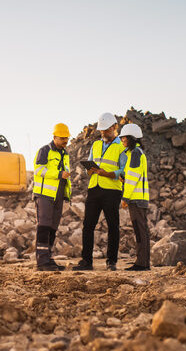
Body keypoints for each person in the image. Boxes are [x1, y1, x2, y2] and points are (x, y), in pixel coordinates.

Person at [74, 113, 127, 271]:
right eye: (101, 130)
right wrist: (88, 171)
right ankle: (86, 261)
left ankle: (111, 262)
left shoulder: (121, 147)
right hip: (94, 189)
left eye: (106, 130)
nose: (103, 132)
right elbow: (88, 168)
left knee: (113, 226)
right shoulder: (96, 145)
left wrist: (109, 174)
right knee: (88, 225)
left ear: (114, 127)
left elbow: (124, 171)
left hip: (112, 190)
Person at [32, 123, 72, 271]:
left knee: (53, 227)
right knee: (44, 225)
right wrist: (58, 174)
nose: (65, 141)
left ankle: (47, 258)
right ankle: (41, 262)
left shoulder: (65, 154)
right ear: (54, 137)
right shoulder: (45, 151)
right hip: (45, 195)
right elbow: (39, 170)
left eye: (66, 139)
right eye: (62, 138)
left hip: (58, 195)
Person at [119, 123, 151, 271]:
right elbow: (133, 177)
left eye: (124, 138)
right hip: (138, 198)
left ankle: (142, 263)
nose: (122, 140)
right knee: (140, 230)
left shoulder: (135, 153)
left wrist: (125, 198)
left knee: (140, 230)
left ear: (131, 138)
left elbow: (133, 178)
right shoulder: (136, 153)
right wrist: (124, 179)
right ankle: (142, 262)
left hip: (136, 199)